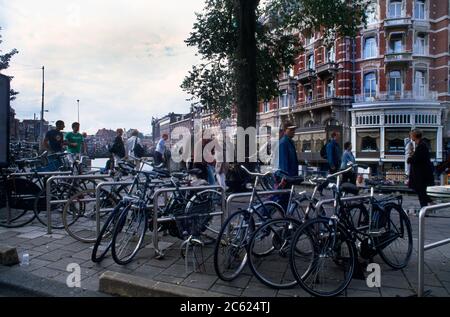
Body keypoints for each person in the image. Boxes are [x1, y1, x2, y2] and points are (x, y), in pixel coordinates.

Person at [407, 129, 435, 208]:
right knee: (421, 192)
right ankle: (429, 203)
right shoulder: (421, 145)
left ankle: (426, 207)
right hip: (421, 174)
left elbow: (414, 160)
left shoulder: (421, 146)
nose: (410, 136)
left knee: (421, 192)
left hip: (420, 175)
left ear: (414, 136)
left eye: (411, 135)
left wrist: (410, 155)